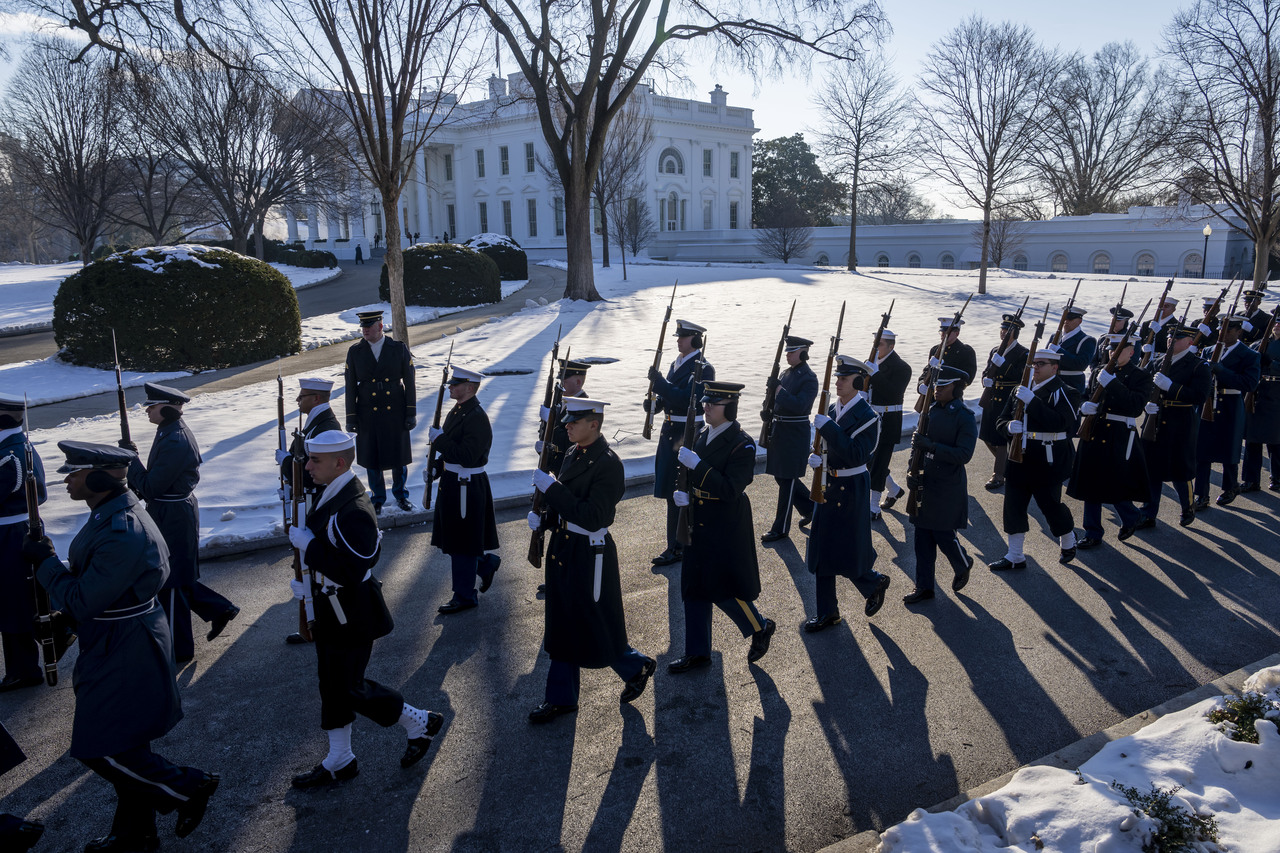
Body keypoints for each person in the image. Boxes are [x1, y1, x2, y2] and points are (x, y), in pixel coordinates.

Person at [24, 441, 220, 852]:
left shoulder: (122, 531)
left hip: (125, 644)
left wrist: (44, 565)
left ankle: (188, 788)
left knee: (101, 748)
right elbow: (92, 580)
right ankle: (135, 835)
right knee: (126, 740)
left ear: (99, 477)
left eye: (75, 472)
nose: (67, 479)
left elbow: (80, 599)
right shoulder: (110, 514)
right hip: (118, 636)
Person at [287, 430, 443, 788]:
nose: (308, 466)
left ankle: (418, 720)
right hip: (331, 605)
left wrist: (309, 548)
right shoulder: (335, 488)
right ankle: (340, 759)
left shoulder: (353, 508)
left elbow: (354, 568)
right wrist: (309, 585)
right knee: (331, 683)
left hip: (351, 611)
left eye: (315, 460)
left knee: (347, 686)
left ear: (339, 463)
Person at [526, 398, 656, 724]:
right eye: (567, 420)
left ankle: (633, 665)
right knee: (563, 622)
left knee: (592, 620)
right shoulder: (573, 452)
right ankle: (562, 697)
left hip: (589, 551)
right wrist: (545, 520)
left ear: (594, 424)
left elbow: (594, 517)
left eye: (574, 421)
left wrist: (553, 491)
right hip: (565, 546)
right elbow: (567, 508)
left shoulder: (609, 464)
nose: (567, 425)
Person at [126, 383, 238, 663]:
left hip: (173, 513)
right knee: (174, 573)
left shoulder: (175, 438)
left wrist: (131, 462)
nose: (147, 411)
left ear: (164, 407)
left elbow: (151, 487)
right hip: (168, 510)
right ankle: (219, 609)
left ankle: (180, 649)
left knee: (172, 581)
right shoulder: (167, 431)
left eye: (151, 406)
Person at [670, 381, 775, 672]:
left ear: (729, 407)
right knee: (693, 587)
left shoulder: (743, 443)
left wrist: (698, 467)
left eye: (712, 404)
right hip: (696, 517)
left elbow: (731, 489)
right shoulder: (702, 433)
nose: (706, 407)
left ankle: (760, 626)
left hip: (724, 522)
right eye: (705, 402)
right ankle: (698, 651)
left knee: (721, 587)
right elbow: (690, 474)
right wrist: (685, 494)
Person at [802, 356, 890, 631]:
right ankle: (828, 612)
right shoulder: (831, 408)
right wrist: (816, 457)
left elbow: (856, 454)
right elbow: (824, 445)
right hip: (828, 484)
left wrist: (828, 427)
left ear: (858, 381)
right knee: (821, 548)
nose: (837, 382)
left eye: (843, 378)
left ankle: (873, 581)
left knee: (850, 548)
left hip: (852, 487)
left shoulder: (869, 417)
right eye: (837, 377)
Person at [988, 349, 1078, 571]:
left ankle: (1067, 539)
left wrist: (1033, 402)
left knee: (1050, 506)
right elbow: (1001, 418)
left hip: (1047, 459)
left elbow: (1063, 423)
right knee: (1013, 506)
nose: (1035, 367)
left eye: (1041, 363)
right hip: (1019, 457)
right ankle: (1015, 555)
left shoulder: (1065, 391)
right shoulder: (1021, 390)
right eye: (1033, 363)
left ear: (1054, 367)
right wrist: (1007, 427)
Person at [1067, 335, 1151, 548]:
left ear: (1131, 352)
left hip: (1119, 432)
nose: (1113, 352)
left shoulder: (1139, 375)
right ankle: (1092, 531)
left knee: (1114, 481)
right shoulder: (1099, 371)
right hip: (1094, 429)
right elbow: (1086, 396)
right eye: (1111, 349)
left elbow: (1135, 406)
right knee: (1090, 482)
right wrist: (1083, 407)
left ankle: (1131, 516)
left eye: (1120, 349)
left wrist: (1113, 384)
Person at [428, 366, 500, 613]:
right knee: (458, 540)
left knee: (462, 542)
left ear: (469, 388)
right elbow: (453, 450)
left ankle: (465, 595)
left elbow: (468, 456)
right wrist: (438, 467)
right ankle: (484, 563)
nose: (451, 387)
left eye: (455, 384)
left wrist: (440, 441)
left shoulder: (477, 417)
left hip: (467, 485)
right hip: (453, 482)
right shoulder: (458, 411)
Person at [903, 366, 976, 604]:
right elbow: (916, 447)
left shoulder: (964, 416)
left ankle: (962, 562)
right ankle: (924, 587)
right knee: (922, 538)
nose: (937, 390)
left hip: (946, 483)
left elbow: (964, 454)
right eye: (936, 386)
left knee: (943, 533)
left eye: (942, 386)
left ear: (956, 388)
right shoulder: (930, 411)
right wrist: (909, 472)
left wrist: (932, 447)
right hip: (925, 480)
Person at [278, 378, 342, 645]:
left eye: (301, 397)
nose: (298, 401)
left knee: (313, 563)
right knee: (305, 563)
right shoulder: (316, 422)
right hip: (307, 499)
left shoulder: (325, 425)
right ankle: (312, 623)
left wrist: (287, 464)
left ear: (316, 398)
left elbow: (312, 469)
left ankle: (317, 623)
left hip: (315, 502)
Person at [647, 320, 715, 566]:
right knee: (670, 490)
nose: (678, 340)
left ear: (695, 340)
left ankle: (677, 546)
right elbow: (669, 397)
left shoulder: (704, 368)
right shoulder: (676, 364)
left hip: (687, 432)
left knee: (680, 489)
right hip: (669, 431)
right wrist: (654, 405)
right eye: (678, 336)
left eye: (683, 337)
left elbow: (690, 399)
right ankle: (676, 543)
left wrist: (661, 385)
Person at [1136, 324, 1213, 530]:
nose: (1171, 341)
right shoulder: (1158, 361)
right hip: (1155, 417)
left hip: (1181, 421)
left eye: (1177, 338)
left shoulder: (1198, 366)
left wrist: (1171, 387)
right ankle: (1148, 512)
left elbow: (1199, 396)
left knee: (1180, 468)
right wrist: (1146, 404)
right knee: (1152, 468)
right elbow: (1143, 387)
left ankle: (1188, 506)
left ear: (1189, 342)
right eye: (1170, 337)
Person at [344, 310, 416, 514]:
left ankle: (401, 495)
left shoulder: (398, 348)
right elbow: (350, 386)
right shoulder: (355, 351)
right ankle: (377, 498)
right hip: (368, 411)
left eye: (369, 326)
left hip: (395, 409)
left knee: (398, 456)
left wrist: (411, 412)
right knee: (372, 457)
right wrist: (351, 417)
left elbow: (410, 381)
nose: (365, 330)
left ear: (380, 326)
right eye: (363, 327)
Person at [0, 394, 46, 692]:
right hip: (10, 532)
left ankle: (24, 669)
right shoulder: (11, 447)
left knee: (13, 601)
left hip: (10, 535)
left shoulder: (12, 454)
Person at [1194, 315, 1261, 508]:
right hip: (1207, 403)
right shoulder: (1208, 350)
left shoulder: (1249, 355)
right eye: (1221, 329)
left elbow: (1249, 383)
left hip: (1230, 404)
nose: (1223, 333)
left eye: (1229, 330)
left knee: (1229, 450)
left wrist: (1222, 371)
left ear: (1239, 331)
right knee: (1202, 451)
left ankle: (1230, 487)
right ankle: (1201, 494)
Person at [760, 336, 818, 543]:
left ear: (803, 353)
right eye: (787, 351)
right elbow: (776, 399)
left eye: (792, 352)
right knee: (782, 477)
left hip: (794, 433)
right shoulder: (785, 373)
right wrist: (767, 411)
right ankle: (811, 508)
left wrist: (778, 390)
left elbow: (800, 405)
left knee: (787, 480)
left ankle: (781, 528)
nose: (788, 355)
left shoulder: (809, 378)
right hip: (780, 429)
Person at [977, 314, 1028, 491]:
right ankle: (1008, 465)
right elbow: (986, 371)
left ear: (1015, 333)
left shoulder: (1023, 353)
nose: (1003, 333)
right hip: (991, 395)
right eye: (1002, 329)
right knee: (986, 435)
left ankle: (998, 474)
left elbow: (1021, 376)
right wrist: (985, 380)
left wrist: (1004, 364)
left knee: (1000, 438)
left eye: (1007, 330)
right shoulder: (994, 350)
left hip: (1008, 397)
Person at [866, 329, 913, 520]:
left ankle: (873, 506)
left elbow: (893, 393)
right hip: (870, 419)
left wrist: (875, 375)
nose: (876, 348)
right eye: (875, 344)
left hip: (888, 421)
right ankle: (893, 489)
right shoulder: (871, 362)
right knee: (869, 461)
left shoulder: (902, 367)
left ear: (891, 346)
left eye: (880, 344)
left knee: (879, 463)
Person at [536, 359, 591, 479]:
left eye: (564, 381)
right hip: (556, 464)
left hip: (571, 467)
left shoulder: (584, 406)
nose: (561, 385)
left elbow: (571, 442)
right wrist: (544, 448)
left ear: (578, 382)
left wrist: (551, 421)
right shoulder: (561, 403)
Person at [1242, 316, 1280, 491]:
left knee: (1276, 440)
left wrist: (1271, 364)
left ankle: (1277, 477)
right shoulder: (1258, 344)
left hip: (1276, 394)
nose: (1278, 326)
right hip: (1257, 393)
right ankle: (1251, 479)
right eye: (1276, 322)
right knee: (1252, 439)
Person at [916, 318, 977, 401]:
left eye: (947, 332)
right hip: (932, 399)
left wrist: (942, 368)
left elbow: (967, 378)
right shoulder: (935, 350)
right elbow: (927, 372)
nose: (943, 334)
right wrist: (921, 384)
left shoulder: (965, 351)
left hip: (952, 398)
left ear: (957, 333)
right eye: (942, 332)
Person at [1047, 306, 1095, 397]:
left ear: (1079, 321)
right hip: (1052, 382)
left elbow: (1081, 364)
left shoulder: (1087, 340)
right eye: (1065, 318)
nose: (1066, 321)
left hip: (1071, 384)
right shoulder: (1055, 337)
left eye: (1071, 318)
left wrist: (1059, 351)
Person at [1139, 295, 1180, 361]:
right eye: (1161, 306)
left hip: (1165, 361)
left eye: (1166, 306)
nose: (1163, 308)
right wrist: (1143, 349)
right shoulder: (1147, 324)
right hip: (1145, 360)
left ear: (1174, 309)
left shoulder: (1177, 326)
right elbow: (1140, 343)